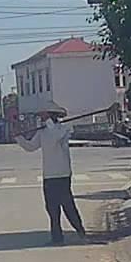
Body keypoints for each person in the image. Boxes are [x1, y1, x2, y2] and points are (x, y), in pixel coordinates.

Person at [15, 104, 86, 244]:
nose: (41, 118)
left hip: (62, 174)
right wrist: (19, 137)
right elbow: (31, 147)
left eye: (44, 115)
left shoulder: (63, 129)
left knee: (68, 205)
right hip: (49, 175)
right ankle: (57, 237)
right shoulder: (43, 132)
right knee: (52, 208)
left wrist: (48, 121)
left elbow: (55, 137)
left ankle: (80, 230)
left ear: (51, 115)